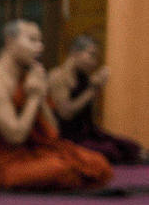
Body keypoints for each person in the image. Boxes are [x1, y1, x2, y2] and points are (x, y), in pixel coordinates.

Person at [0, 20, 113, 191]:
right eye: (32, 40)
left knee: (98, 164)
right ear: (10, 42)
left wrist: (41, 96)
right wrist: (34, 97)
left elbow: (53, 131)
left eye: (40, 41)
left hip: (29, 154)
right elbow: (15, 136)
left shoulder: (30, 78)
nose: (39, 47)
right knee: (60, 170)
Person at [49, 36, 144, 164]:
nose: (94, 62)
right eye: (91, 55)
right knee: (111, 151)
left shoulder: (85, 77)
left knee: (132, 147)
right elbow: (66, 113)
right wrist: (94, 88)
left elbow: (88, 116)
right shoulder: (58, 76)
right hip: (68, 136)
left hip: (87, 132)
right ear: (75, 53)